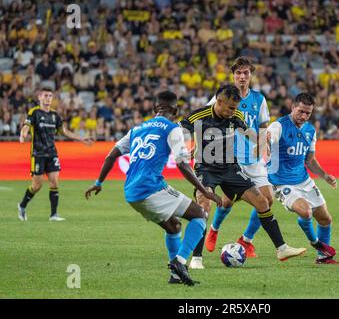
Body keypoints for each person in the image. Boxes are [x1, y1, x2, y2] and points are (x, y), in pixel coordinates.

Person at [84, 91, 221, 286]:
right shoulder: (173, 129)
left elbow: (110, 156)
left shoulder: (136, 129)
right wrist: (205, 190)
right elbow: (182, 164)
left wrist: (98, 183)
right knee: (200, 215)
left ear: (154, 108)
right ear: (176, 110)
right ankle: (179, 262)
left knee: (173, 226)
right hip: (151, 188)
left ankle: (175, 276)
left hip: (131, 193)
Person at [179, 84, 306, 269]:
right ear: (219, 102)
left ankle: (282, 248)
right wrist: (185, 146)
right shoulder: (199, 115)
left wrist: (262, 141)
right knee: (203, 206)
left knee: (262, 202)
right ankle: (196, 258)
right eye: (230, 107)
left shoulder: (236, 116)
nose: (234, 111)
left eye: (236, 108)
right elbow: (178, 131)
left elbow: (249, 134)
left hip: (230, 168)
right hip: (205, 169)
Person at [193, 56, 272, 269]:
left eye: (246, 73)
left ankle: (246, 241)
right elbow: (204, 119)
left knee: (267, 199)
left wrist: (263, 145)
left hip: (253, 158)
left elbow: (264, 125)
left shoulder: (259, 99)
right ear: (234, 76)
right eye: (238, 73)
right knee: (226, 202)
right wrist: (198, 144)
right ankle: (214, 230)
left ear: (251, 75)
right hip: (228, 158)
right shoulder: (222, 97)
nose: (242, 76)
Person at [267, 93, 339, 264]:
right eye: (301, 112)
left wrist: (325, 176)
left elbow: (310, 160)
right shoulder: (279, 126)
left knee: (325, 219)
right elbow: (270, 136)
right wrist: (267, 140)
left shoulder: (310, 130)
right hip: (282, 182)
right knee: (305, 211)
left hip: (304, 181)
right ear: (292, 107)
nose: (304, 116)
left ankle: (323, 257)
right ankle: (316, 244)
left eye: (308, 113)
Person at [18, 87, 93, 222]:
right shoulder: (34, 112)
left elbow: (64, 131)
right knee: (37, 186)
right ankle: (22, 205)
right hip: (38, 154)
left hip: (52, 153)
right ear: (40, 97)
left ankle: (53, 215)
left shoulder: (55, 115)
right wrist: (23, 135)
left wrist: (81, 139)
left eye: (50, 96)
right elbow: (26, 126)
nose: (48, 99)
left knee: (54, 182)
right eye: (46, 96)